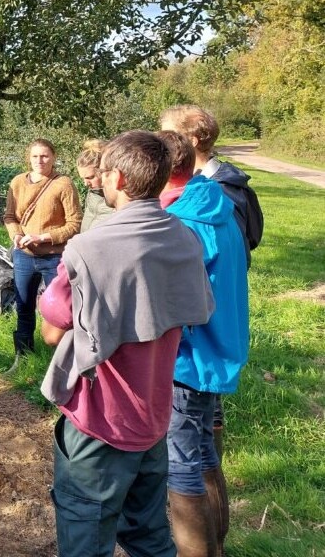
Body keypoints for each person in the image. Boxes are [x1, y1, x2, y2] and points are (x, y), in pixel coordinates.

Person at [39, 130, 214, 557]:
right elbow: (196, 310)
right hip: (154, 417)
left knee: (86, 536)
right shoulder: (184, 238)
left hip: (101, 422)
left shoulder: (89, 247)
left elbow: (52, 327)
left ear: (115, 178)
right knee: (150, 535)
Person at [157, 131, 248, 557]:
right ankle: (218, 545)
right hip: (219, 347)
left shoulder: (184, 222)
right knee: (204, 451)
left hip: (191, 357)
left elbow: (178, 301)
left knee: (181, 464)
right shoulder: (217, 204)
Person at [159, 105, 261, 461]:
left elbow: (181, 286)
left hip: (196, 345)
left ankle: (197, 511)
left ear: (189, 142)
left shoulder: (202, 203)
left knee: (186, 455)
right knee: (200, 447)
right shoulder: (210, 196)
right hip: (213, 333)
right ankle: (211, 512)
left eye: (169, 135)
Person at [3, 138, 81, 356]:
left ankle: (63, 360)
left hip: (54, 258)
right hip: (24, 256)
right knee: (24, 306)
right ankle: (23, 356)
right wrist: (17, 235)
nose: (40, 160)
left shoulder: (63, 184)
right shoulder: (18, 182)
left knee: (59, 310)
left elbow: (74, 224)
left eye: (45, 156)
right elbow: (9, 216)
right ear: (29, 158)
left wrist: (44, 237)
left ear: (53, 157)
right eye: (35, 156)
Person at [159, 105, 264, 266]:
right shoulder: (225, 181)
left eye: (169, 135)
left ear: (192, 141)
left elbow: (237, 248)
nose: (161, 144)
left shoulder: (218, 191)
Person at [77, 138, 114, 231]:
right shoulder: (92, 194)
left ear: (103, 170)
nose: (86, 184)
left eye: (90, 177)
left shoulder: (119, 199)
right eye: (83, 178)